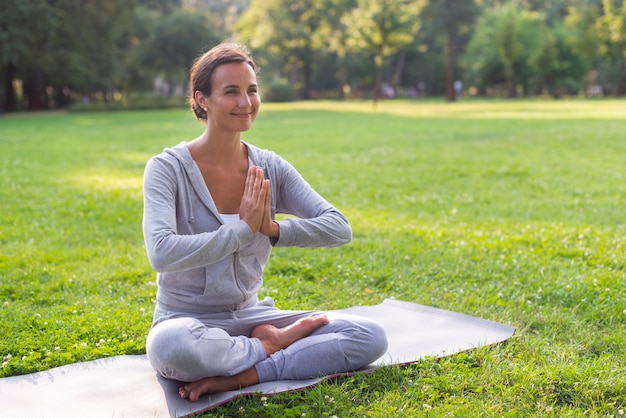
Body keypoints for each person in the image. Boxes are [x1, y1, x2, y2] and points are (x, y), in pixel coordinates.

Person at [142, 42, 388, 402]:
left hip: (252, 315)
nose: (246, 102)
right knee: (169, 348)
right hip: (188, 322)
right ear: (202, 99)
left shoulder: (269, 167)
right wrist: (241, 231)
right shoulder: (167, 169)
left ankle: (252, 369)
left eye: (252, 90)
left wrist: (272, 229)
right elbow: (161, 253)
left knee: (369, 336)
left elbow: (339, 227)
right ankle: (269, 347)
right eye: (232, 92)